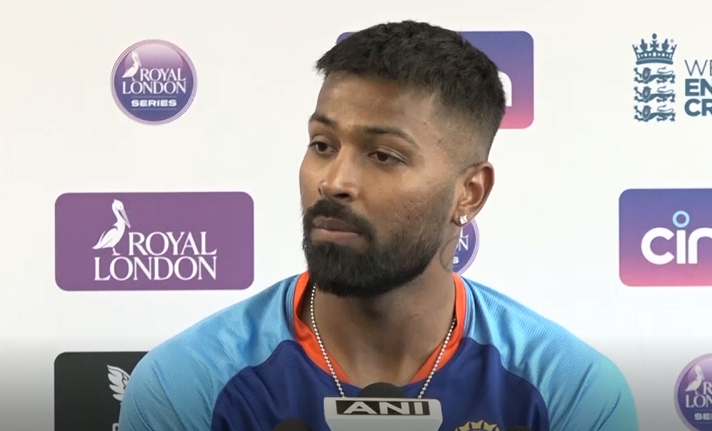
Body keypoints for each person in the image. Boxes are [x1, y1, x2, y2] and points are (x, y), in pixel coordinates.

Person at [118, 20, 638, 431]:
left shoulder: (569, 389)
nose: (334, 181)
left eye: (384, 155)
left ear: (470, 192)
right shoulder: (188, 383)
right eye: (323, 145)